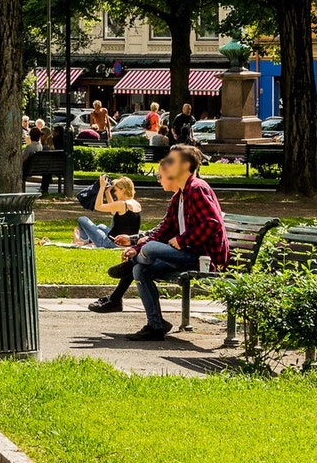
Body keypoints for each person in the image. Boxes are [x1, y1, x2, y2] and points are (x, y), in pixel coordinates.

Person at [108, 144, 228, 339]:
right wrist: (136, 247)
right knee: (141, 269)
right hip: (184, 254)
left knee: (151, 248)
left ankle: (132, 263)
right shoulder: (179, 195)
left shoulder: (197, 189)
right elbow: (164, 229)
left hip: (201, 257)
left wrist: (182, 240)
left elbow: (212, 223)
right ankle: (156, 325)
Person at [76, 175, 142, 250]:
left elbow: (98, 206)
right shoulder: (136, 203)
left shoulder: (122, 204)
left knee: (82, 219)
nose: (115, 193)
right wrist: (107, 192)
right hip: (127, 241)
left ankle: (82, 241)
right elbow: (114, 212)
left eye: (116, 190)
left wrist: (102, 187)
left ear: (123, 190)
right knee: (101, 226)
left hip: (111, 243)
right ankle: (89, 240)